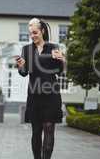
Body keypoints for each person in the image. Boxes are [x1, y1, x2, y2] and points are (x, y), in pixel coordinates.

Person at [16, 18, 65, 159]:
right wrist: (21, 66)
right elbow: (24, 73)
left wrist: (61, 60)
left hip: (51, 96)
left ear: (42, 31)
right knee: (36, 132)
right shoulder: (27, 49)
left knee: (49, 129)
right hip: (34, 97)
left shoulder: (53, 47)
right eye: (30, 33)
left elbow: (59, 71)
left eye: (35, 32)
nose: (33, 36)